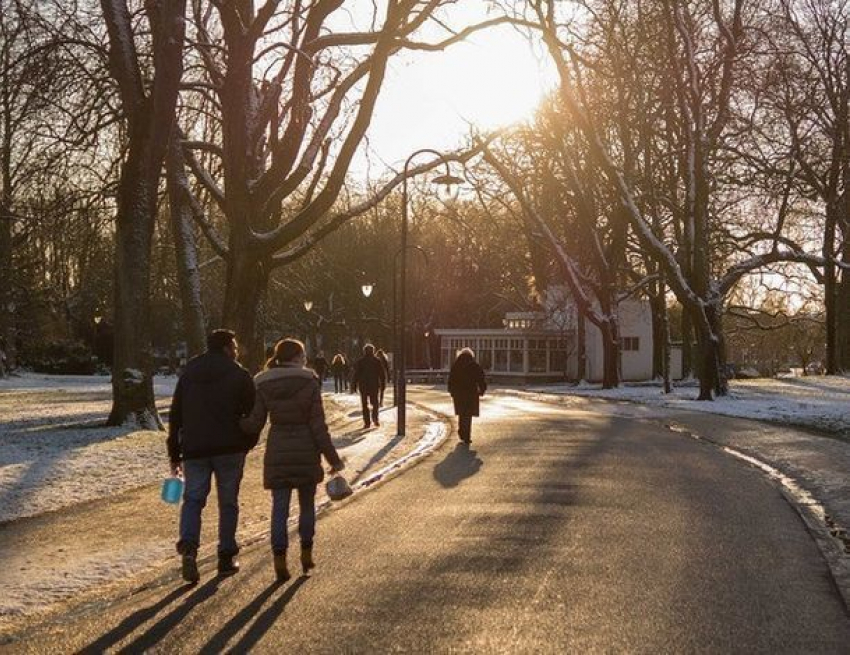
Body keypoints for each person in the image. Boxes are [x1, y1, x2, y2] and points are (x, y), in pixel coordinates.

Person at [240, 338, 344, 581]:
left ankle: (279, 559)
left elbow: (255, 422)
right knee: (307, 506)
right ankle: (306, 554)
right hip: (306, 449)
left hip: (277, 449)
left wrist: (234, 423)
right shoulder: (309, 382)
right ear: (297, 357)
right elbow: (319, 427)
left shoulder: (264, 383)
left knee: (280, 508)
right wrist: (333, 459)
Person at [167, 329, 257, 584]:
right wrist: (247, 443)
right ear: (228, 348)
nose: (237, 350)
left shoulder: (189, 374)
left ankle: (189, 546)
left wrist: (175, 451)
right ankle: (226, 556)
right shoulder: (239, 374)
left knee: (193, 499)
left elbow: (176, 415)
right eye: (235, 346)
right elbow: (252, 414)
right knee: (228, 502)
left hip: (194, 448)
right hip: (229, 448)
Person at [447, 347, 487, 444]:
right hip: (471, 393)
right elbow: (481, 378)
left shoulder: (456, 365)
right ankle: (467, 435)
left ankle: (461, 431)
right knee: (468, 415)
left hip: (459, 393)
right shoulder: (474, 365)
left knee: (462, 413)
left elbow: (451, 379)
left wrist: (451, 391)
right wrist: (482, 390)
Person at [352, 343, 386, 428]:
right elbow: (382, 374)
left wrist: (354, 385)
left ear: (364, 351)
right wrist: (383, 385)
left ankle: (367, 422)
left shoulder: (360, 361)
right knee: (375, 403)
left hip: (363, 385)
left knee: (364, 404)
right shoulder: (377, 361)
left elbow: (356, 374)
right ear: (373, 351)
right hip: (374, 385)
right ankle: (375, 418)